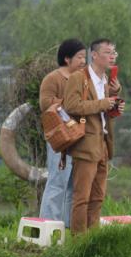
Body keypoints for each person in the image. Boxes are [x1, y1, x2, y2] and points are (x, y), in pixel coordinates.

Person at [62, 38, 125, 234]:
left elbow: (102, 113)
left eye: (114, 52)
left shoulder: (106, 80)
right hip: (85, 144)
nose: (112, 56)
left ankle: (93, 238)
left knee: (98, 197)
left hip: (103, 144)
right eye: (107, 52)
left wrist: (114, 107)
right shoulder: (78, 78)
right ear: (95, 55)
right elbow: (71, 106)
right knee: (82, 197)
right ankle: (79, 242)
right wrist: (103, 104)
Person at [38, 39, 87, 224]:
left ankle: (67, 226)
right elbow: (45, 104)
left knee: (73, 185)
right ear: (67, 58)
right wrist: (71, 103)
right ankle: (48, 225)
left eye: (84, 57)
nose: (83, 61)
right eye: (79, 57)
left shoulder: (83, 78)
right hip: (60, 138)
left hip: (79, 136)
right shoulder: (53, 78)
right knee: (57, 182)